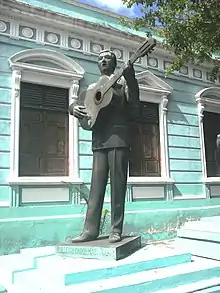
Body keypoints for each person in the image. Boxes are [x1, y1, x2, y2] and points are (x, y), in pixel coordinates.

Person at [69, 49, 139, 243]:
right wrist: (73, 108)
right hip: (99, 140)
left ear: (114, 63)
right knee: (96, 188)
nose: (103, 61)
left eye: (107, 58)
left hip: (118, 139)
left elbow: (134, 105)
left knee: (118, 186)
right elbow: (77, 103)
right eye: (100, 59)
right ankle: (90, 231)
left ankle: (115, 229)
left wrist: (131, 78)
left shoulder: (122, 82)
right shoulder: (93, 86)